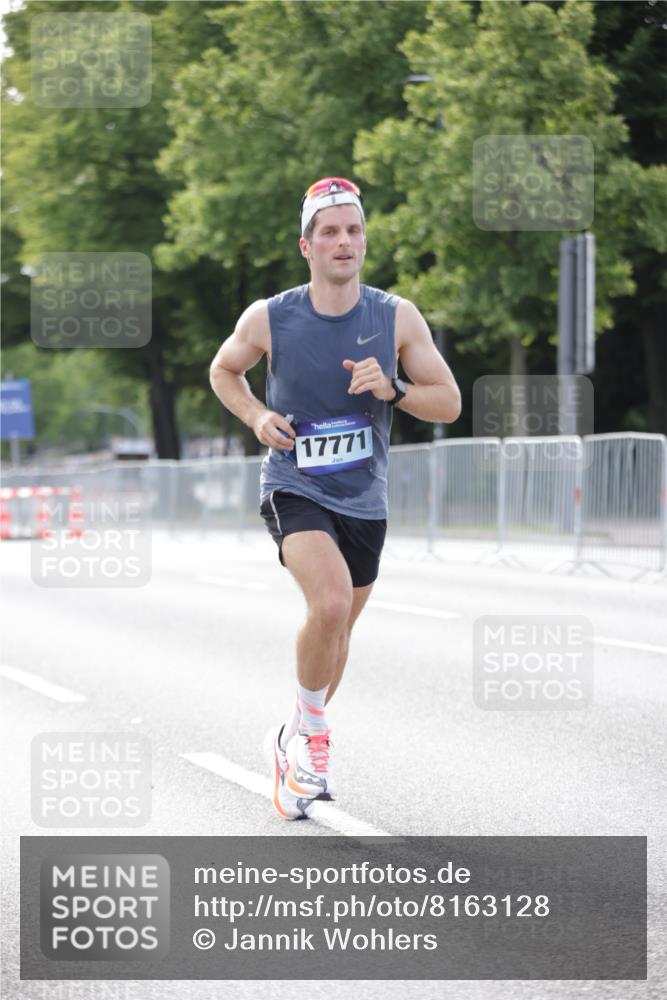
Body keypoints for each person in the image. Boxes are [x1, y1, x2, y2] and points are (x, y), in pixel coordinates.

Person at [209, 177, 461, 819]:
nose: (343, 241)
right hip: (295, 485)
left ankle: (291, 739)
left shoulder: (395, 316)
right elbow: (223, 370)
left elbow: (450, 402)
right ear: (307, 245)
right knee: (325, 605)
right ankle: (315, 744)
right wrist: (257, 417)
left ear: (364, 241)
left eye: (352, 230)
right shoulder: (270, 316)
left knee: (338, 634)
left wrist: (395, 390)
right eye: (330, 231)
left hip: (363, 499)